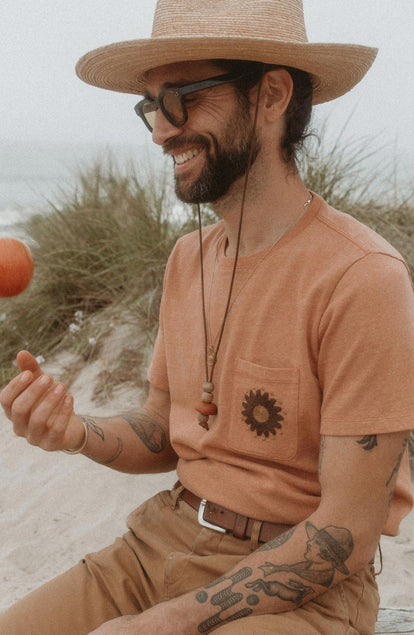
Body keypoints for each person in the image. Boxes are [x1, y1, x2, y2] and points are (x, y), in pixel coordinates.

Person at [1, 1, 413, 633]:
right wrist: (75, 431)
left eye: (182, 99)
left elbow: (347, 533)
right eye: (151, 107)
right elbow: (163, 430)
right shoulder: (188, 257)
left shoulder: (362, 278)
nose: (162, 130)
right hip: (156, 548)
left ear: (272, 94)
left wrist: (165, 624)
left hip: (300, 591)